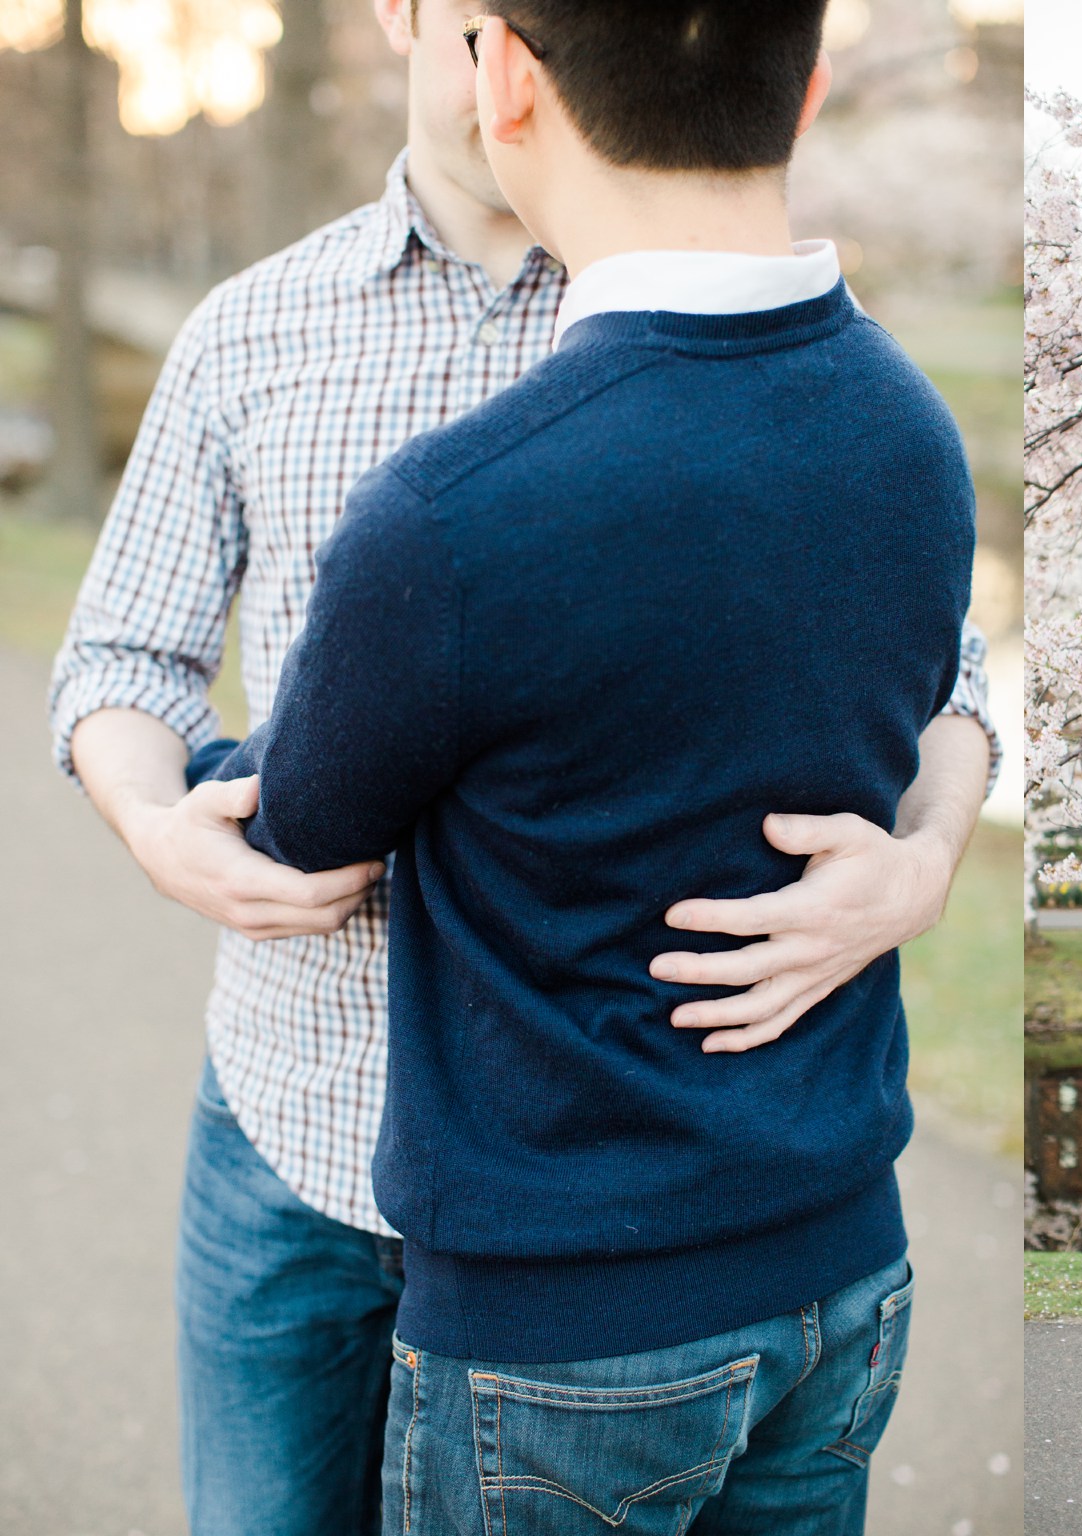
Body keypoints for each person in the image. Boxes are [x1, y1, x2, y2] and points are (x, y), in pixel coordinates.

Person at [46, 1, 997, 1530]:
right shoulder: (253, 327)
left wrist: (930, 857)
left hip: (573, 1205)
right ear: (419, 22)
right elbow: (117, 659)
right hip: (299, 1122)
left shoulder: (761, 350)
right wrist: (158, 821)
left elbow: (944, 684)